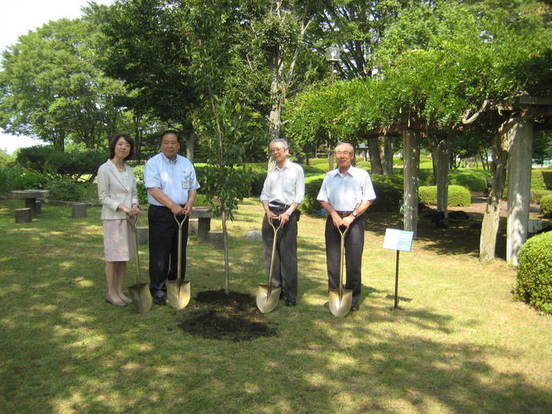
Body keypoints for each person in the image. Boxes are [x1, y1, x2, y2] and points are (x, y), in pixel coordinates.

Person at [317, 142, 376, 311]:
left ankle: (353, 300)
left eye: (345, 153)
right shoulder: (329, 176)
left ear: (352, 156)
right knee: (333, 261)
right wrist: (334, 215)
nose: (342, 156)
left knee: (353, 262)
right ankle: (334, 296)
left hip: (354, 221)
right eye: (338, 153)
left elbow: (369, 199)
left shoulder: (361, 175)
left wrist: (353, 216)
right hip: (334, 220)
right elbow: (323, 198)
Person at [144, 130, 200, 305]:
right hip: (161, 213)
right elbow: (153, 189)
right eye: (166, 142)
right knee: (160, 252)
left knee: (179, 250)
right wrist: (172, 206)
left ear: (178, 145)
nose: (169, 145)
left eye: (173, 142)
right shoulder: (154, 163)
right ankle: (158, 289)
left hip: (182, 213)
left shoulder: (186, 163)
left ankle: (176, 282)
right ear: (161, 144)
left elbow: (192, 186)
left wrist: (190, 202)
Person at [97, 134, 142, 307]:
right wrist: (123, 208)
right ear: (114, 146)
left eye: (127, 145)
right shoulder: (104, 169)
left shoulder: (129, 170)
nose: (124, 147)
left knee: (123, 257)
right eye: (121, 144)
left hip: (128, 220)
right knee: (112, 257)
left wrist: (135, 205)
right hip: (113, 218)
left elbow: (133, 193)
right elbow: (103, 197)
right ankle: (111, 292)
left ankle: (119, 290)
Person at [260, 138, 305, 306]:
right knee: (270, 255)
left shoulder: (296, 170)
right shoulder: (272, 171)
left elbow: (299, 195)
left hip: (288, 214)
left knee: (288, 256)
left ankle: (290, 294)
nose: (275, 152)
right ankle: (275, 290)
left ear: (286, 150)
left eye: (278, 149)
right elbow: (265, 194)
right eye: (273, 150)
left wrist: (288, 213)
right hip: (271, 213)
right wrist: (267, 211)